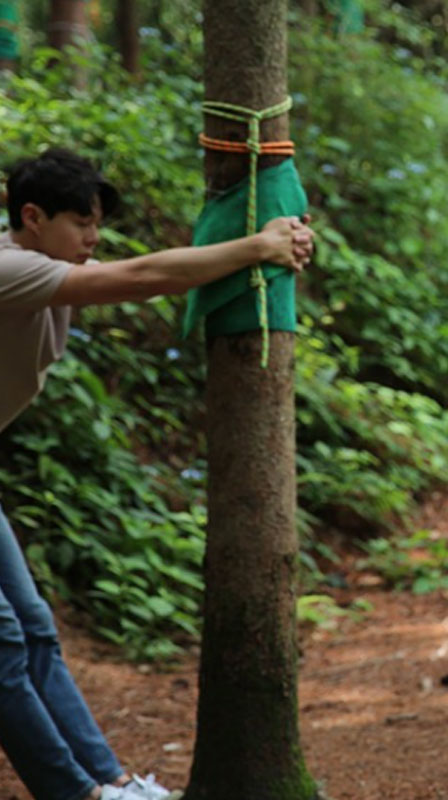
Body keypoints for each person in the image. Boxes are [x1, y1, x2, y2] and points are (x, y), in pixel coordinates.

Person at [0, 148, 314, 800]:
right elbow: (140, 277)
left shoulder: (42, 262)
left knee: (33, 629)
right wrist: (256, 245)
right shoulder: (10, 268)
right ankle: (78, 795)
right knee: (3, 644)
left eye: (97, 225)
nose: (93, 239)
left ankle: (113, 783)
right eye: (80, 224)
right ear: (32, 217)